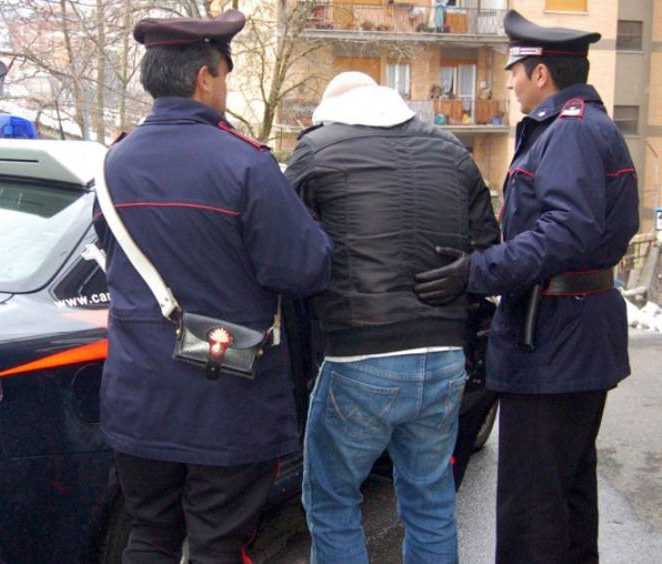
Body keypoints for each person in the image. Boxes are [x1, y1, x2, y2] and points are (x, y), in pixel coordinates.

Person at [93, 10, 333, 564]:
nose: (224, 85)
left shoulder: (113, 163)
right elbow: (302, 270)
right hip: (227, 396)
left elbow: (114, 257)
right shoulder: (245, 163)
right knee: (218, 544)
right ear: (205, 77)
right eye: (224, 73)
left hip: (139, 397)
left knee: (149, 536)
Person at [414, 10, 640, 563]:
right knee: (566, 499)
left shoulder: (568, 131)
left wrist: (478, 270)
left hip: (555, 339)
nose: (510, 82)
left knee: (532, 511)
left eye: (515, 70)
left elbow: (564, 230)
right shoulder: (580, 126)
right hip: (569, 334)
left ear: (541, 73)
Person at [285, 71, 499, 564]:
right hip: (445, 353)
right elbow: (488, 249)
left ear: (330, 112)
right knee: (431, 499)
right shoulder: (453, 154)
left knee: (333, 497)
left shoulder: (317, 152)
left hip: (360, 356)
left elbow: (283, 245)